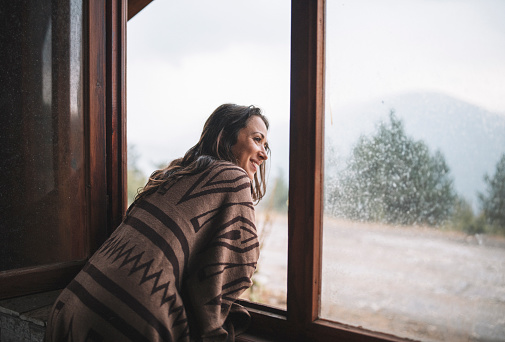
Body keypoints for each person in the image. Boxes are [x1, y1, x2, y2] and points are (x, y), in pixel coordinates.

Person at [45, 104, 269, 342]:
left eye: (266, 146)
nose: (264, 154)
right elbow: (240, 264)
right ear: (224, 136)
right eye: (257, 140)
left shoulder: (175, 173)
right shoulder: (234, 178)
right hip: (133, 318)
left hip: (71, 307)